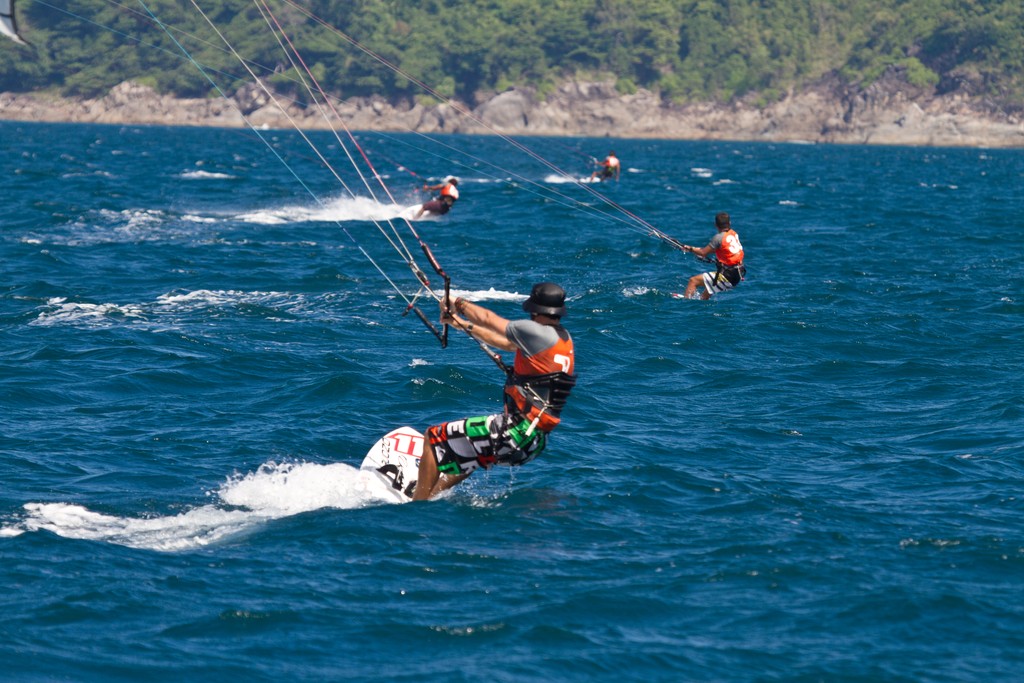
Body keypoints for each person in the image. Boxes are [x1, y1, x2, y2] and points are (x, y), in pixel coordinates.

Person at [412, 282, 577, 501]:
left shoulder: (535, 330)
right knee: (467, 448)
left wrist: (457, 303)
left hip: (514, 434)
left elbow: (490, 320)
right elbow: (507, 344)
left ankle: (417, 505)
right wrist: (460, 324)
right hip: (533, 442)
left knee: (432, 438)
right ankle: (431, 495)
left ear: (536, 310)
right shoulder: (562, 338)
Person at [679, 212, 746, 299]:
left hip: (727, 276)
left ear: (715, 225)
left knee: (693, 281)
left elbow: (703, 252)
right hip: (738, 274)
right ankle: (702, 304)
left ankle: (686, 303)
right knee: (707, 290)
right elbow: (724, 250)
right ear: (729, 223)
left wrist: (690, 248)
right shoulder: (733, 234)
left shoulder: (718, 238)